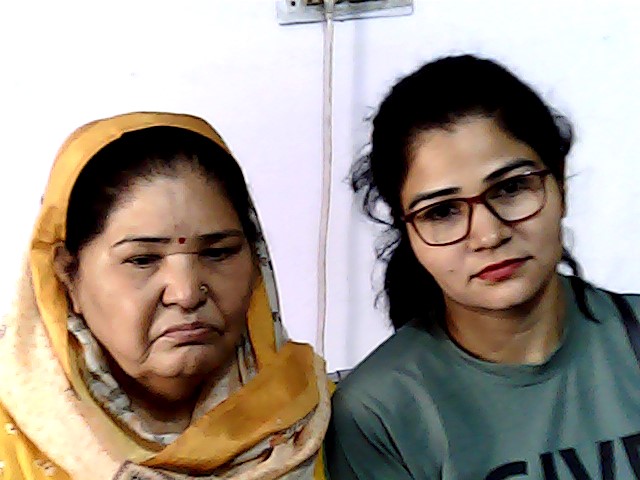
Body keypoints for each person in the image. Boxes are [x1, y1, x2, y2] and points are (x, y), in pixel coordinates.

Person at [324, 54, 640, 479]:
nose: (488, 235)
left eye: (511, 188)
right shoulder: (377, 413)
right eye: (442, 211)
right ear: (407, 230)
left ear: (560, 183)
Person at [0, 112, 330, 479]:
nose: (186, 294)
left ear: (256, 261)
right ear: (67, 275)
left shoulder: (327, 422)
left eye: (218, 253)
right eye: (142, 260)